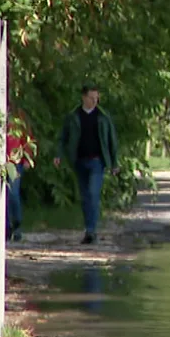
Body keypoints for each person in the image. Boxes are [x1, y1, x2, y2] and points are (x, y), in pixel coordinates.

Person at [54, 84, 120, 245]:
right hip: (79, 161)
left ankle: (91, 230)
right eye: (91, 97)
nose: (94, 100)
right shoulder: (74, 116)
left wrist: (114, 162)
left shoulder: (103, 117)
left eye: (96, 97)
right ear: (84, 97)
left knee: (93, 194)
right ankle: (88, 229)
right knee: (84, 197)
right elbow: (63, 137)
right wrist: (59, 155)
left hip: (97, 161)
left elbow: (112, 140)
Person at [6, 104, 37, 243]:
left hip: (15, 161)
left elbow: (27, 137)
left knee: (13, 193)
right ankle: (6, 228)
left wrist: (26, 157)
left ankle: (16, 224)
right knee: (2, 196)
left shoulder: (19, 116)